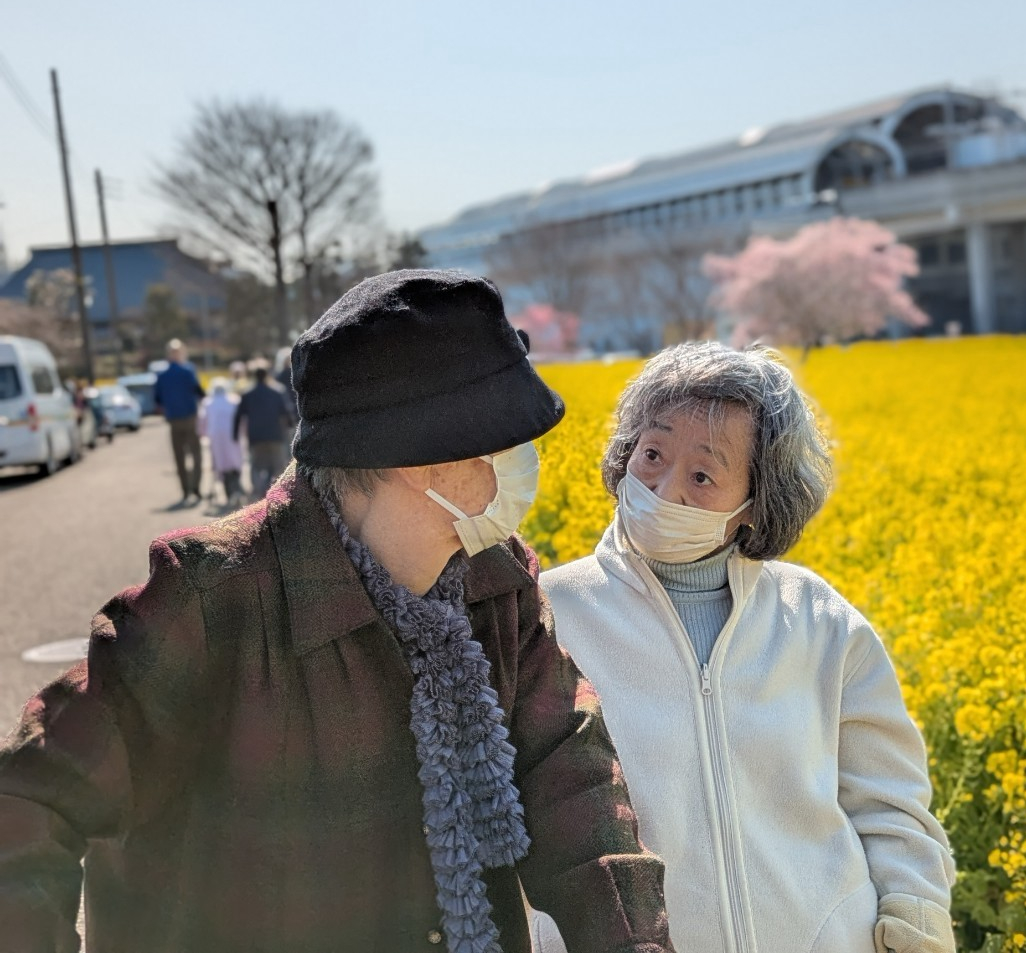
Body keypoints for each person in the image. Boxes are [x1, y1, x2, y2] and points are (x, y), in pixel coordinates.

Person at [0, 269, 673, 953]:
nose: (524, 461)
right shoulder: (212, 595)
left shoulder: (498, 583)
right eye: (504, 443)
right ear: (422, 455)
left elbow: (574, 778)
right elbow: (32, 793)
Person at [533, 342, 956, 953]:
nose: (665, 490)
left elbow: (891, 805)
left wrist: (916, 925)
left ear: (754, 505)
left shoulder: (819, 621)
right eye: (652, 454)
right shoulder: (549, 618)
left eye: (702, 475)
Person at [152, 338, 205, 503]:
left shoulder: (162, 375)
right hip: (190, 418)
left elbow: (157, 399)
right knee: (196, 454)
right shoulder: (188, 371)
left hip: (173, 420)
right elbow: (199, 392)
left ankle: (185, 490)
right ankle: (196, 486)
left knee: (179, 456)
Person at [235, 360, 292, 498]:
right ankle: (274, 495)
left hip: (255, 436)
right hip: (275, 435)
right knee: (277, 466)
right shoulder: (277, 391)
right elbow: (286, 412)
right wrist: (290, 427)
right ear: (267, 375)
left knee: (256, 466)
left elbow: (238, 415)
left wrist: (234, 434)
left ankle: (259, 493)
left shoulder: (247, 394)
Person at [199, 378, 244, 506]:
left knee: (221, 464)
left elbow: (202, 421)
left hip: (216, 438)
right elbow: (241, 419)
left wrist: (203, 434)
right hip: (233, 436)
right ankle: (236, 490)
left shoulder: (208, 403)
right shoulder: (234, 400)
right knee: (235, 462)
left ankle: (229, 493)